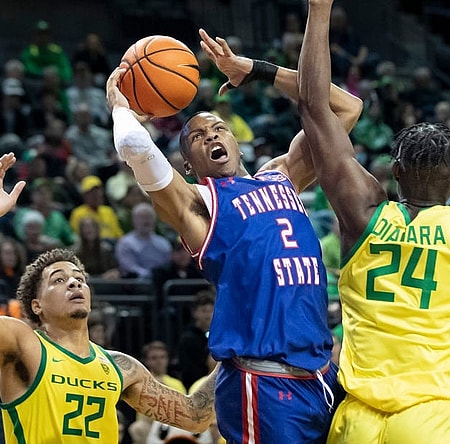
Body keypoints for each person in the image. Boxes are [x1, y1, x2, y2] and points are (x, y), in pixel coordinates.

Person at [107, 17, 363, 440]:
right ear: (188, 165)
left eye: (218, 128)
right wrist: (119, 106)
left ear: (236, 140)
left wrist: (256, 70)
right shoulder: (199, 204)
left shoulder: (282, 174)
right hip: (263, 381)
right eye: (197, 137)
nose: (211, 136)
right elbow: (135, 147)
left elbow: (345, 107)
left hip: (321, 375)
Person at [297, 0, 450, 441]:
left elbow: (313, 108)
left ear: (395, 172)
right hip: (430, 419)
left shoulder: (363, 212)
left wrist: (320, 8)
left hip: (358, 419)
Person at [0, 153, 218, 442]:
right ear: (37, 306)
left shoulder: (119, 367)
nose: (74, 282)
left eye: (79, 278)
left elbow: (194, 415)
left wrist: (237, 352)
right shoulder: (25, 346)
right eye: (58, 280)